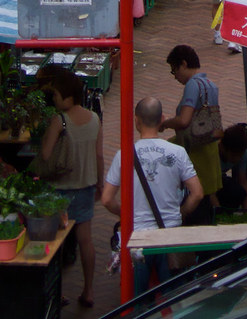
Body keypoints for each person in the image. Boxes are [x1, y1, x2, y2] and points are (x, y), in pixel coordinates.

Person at [101, 97, 203, 295]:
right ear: (162, 119)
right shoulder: (178, 152)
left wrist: (127, 215)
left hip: (138, 239)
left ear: (136, 121)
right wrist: (179, 214)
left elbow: (106, 199)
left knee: (137, 300)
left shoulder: (124, 155)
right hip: (169, 235)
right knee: (171, 299)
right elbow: (197, 193)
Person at [39, 68, 104, 309]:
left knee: (55, 243)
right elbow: (98, 155)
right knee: (85, 240)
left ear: (67, 96)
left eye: (56, 95)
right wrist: (100, 182)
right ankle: (88, 291)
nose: (54, 99)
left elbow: (46, 155)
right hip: (85, 186)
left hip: (58, 190)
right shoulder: (94, 119)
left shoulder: (59, 120)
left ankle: (57, 293)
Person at [160, 45, 223, 225]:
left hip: (195, 149)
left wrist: (165, 124)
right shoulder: (211, 84)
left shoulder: (193, 85)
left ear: (184, 64)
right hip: (209, 147)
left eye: (174, 71)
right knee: (208, 199)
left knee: (197, 200)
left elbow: (184, 121)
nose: (175, 77)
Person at [216, 125, 247, 213]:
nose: (237, 159)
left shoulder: (242, 153)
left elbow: (243, 182)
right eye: (234, 156)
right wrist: (219, 214)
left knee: (238, 192)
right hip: (203, 183)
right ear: (223, 148)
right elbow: (208, 190)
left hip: (219, 180)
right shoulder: (212, 153)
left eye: (240, 155)